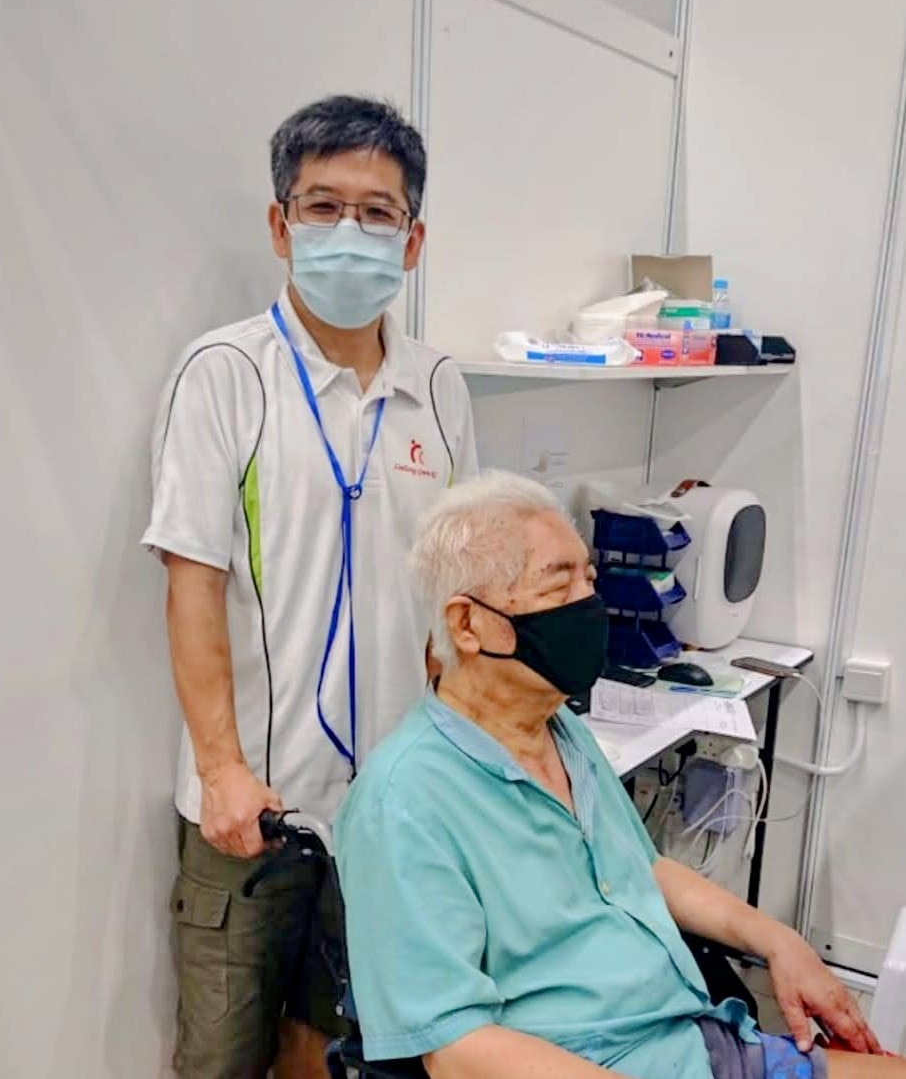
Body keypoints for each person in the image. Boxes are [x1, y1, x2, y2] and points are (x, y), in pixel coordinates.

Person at [335, 471, 904, 1079]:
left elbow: (640, 868)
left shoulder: (560, 730)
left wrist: (777, 941)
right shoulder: (403, 802)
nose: (589, 605)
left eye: (589, 579)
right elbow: (456, 1049)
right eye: (559, 587)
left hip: (693, 1036)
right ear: (468, 625)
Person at [142, 95, 477, 1079]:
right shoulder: (225, 374)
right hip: (252, 811)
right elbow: (192, 585)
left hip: (390, 810)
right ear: (280, 225)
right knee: (221, 1060)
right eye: (323, 205)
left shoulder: (438, 388)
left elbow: (453, 594)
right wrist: (221, 772)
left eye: (377, 212)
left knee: (343, 1053)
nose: (349, 231)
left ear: (412, 241)